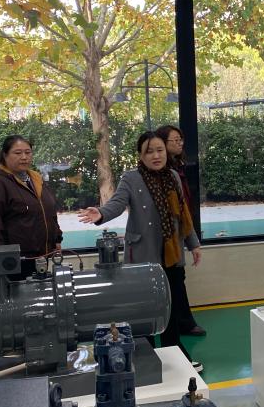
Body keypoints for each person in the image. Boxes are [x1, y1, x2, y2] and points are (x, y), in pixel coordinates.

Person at [77, 132, 204, 372]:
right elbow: (117, 203)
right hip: (144, 255)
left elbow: (183, 215)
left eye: (160, 150)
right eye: (149, 151)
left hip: (172, 254)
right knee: (145, 309)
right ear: (140, 155)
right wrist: (101, 213)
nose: (156, 156)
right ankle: (145, 357)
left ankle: (176, 355)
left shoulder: (173, 177)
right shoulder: (132, 178)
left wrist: (193, 244)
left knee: (172, 307)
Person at [0, 135, 63, 279]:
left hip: (42, 257)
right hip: (14, 263)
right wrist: (2, 260)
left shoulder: (36, 180)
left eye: (28, 152)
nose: (24, 157)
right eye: (17, 153)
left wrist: (57, 239)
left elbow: (49, 212)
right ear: (5, 155)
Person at [158, 124, 205, 337]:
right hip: (166, 236)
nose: (179, 144)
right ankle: (180, 323)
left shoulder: (178, 168)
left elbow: (183, 206)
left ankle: (183, 323)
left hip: (180, 229)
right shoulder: (164, 172)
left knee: (178, 279)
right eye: (174, 140)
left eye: (180, 140)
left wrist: (191, 240)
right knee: (173, 282)